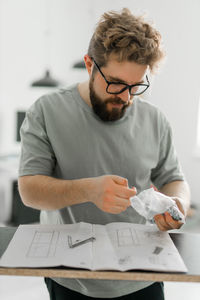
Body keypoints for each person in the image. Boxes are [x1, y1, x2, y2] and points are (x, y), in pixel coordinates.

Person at [18, 8, 190, 300]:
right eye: (116, 84)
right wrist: (89, 190)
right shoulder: (46, 111)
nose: (125, 97)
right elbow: (30, 190)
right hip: (71, 278)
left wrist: (177, 205)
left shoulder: (155, 119)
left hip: (142, 276)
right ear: (89, 64)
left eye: (136, 87)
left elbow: (174, 179)